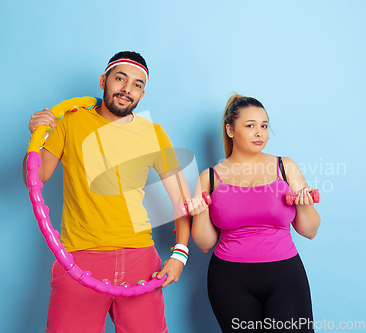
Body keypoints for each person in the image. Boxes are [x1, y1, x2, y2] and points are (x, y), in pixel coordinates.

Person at [22, 51, 192, 333]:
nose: (127, 89)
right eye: (120, 79)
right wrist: (37, 138)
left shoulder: (153, 132)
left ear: (142, 93)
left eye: (137, 84)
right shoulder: (70, 122)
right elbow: (36, 178)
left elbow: (182, 200)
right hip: (79, 256)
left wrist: (180, 255)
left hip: (140, 258)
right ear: (104, 80)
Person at [188, 94, 321, 332]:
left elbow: (309, 231)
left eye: (264, 126)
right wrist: (199, 213)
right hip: (229, 280)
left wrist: (304, 203)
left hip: (285, 276)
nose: (260, 133)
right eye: (250, 126)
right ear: (230, 129)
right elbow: (205, 244)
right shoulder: (209, 177)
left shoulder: (285, 167)